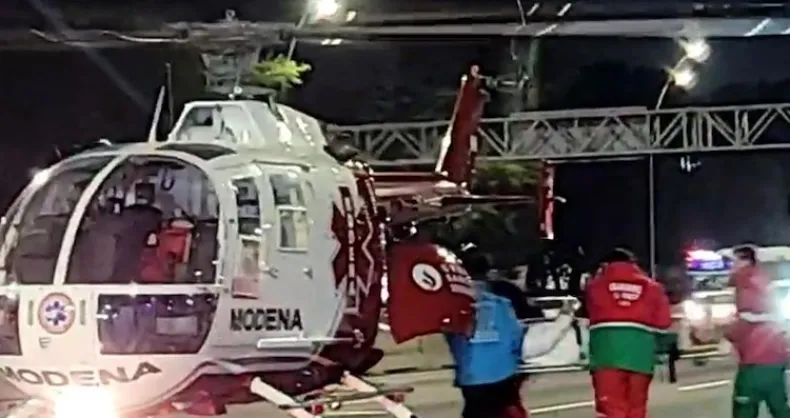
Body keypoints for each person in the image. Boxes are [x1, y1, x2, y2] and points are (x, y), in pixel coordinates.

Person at [446, 245, 574, 418]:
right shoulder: (502, 301)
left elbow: (450, 335)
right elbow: (516, 336)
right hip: (502, 373)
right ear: (488, 271)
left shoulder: (453, 303)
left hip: (471, 377)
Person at [585, 248, 672, 418]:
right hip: (641, 355)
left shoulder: (595, 286)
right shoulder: (653, 288)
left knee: (612, 407)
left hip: (606, 353)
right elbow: (663, 323)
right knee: (636, 407)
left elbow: (588, 313)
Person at [725, 245, 790, 418]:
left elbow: (745, 321)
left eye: (733, 262)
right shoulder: (764, 281)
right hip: (776, 358)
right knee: (780, 408)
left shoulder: (746, 284)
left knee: (744, 409)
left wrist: (727, 334)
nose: (731, 266)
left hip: (754, 361)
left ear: (744, 261)